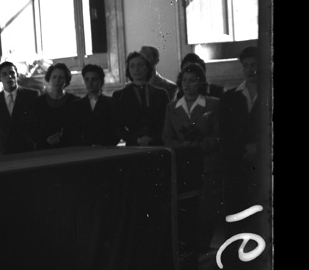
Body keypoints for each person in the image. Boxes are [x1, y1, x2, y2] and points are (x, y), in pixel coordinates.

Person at [162, 62, 221, 253]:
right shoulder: (172, 107)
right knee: (186, 212)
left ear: (200, 83)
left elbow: (219, 136)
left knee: (206, 211)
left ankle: (204, 251)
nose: (188, 84)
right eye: (185, 80)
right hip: (183, 168)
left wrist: (200, 146)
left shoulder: (213, 104)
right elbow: (167, 138)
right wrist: (183, 147)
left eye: (193, 80)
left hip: (206, 165)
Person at [217, 45, 265, 216]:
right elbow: (224, 132)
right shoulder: (230, 97)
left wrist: (259, 148)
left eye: (254, 65)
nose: (251, 70)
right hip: (237, 166)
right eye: (246, 65)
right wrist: (243, 150)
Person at [112, 51, 169, 146]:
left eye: (140, 65)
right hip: (133, 145)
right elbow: (117, 127)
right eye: (132, 66)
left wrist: (153, 138)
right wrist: (135, 140)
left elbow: (166, 122)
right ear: (128, 70)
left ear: (147, 68)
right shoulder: (120, 96)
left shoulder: (161, 94)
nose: (136, 69)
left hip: (157, 143)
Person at [0, 61, 39, 154]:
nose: (9, 77)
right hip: (5, 152)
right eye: (5, 74)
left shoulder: (31, 95)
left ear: (17, 74)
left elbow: (37, 122)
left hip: (29, 150)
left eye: (12, 73)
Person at [62, 64, 119, 147]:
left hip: (106, 149)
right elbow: (72, 132)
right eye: (87, 80)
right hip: (83, 151)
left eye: (94, 79)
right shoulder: (76, 105)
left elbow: (116, 130)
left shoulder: (111, 103)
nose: (90, 83)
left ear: (101, 81)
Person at [32, 62, 79, 150]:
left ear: (66, 81)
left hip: (68, 149)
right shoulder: (38, 102)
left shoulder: (74, 101)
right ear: (49, 79)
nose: (57, 80)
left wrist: (61, 138)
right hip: (44, 149)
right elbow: (33, 129)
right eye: (54, 77)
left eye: (61, 77)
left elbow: (76, 129)